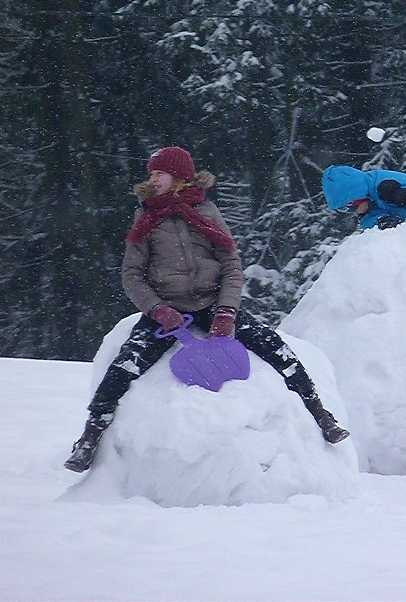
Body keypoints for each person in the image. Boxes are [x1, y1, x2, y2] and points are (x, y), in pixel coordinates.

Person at [65, 146, 349, 473]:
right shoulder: (145, 218)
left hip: (213, 305)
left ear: (179, 176)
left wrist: (226, 312)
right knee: (124, 367)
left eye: (159, 173)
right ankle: (90, 435)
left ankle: (321, 415)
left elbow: (231, 265)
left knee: (278, 351)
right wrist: (157, 310)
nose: (152, 179)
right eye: (151, 174)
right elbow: (131, 275)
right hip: (166, 310)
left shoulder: (208, 212)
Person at [321, 165, 406, 239]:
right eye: (343, 210)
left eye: (349, 207)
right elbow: (368, 220)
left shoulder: (385, 188)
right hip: (404, 215)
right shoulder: (366, 204)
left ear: (357, 196)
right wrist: (382, 221)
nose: (353, 212)